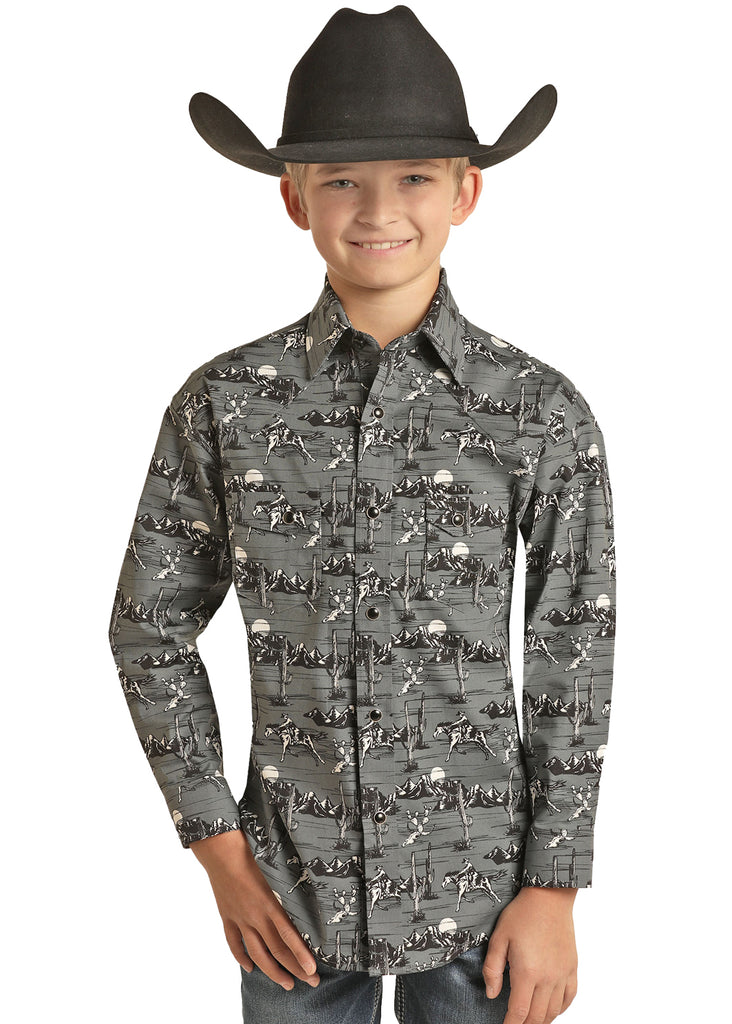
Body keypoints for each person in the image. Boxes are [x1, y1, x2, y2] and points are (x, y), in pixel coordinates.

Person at [108, 6, 616, 1023]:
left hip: (483, 896)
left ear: (465, 191)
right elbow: (149, 629)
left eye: (414, 177)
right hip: (287, 896)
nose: (379, 209)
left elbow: (574, 644)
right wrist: (221, 854)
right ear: (293, 198)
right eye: (342, 179)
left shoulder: (539, 412)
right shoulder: (225, 405)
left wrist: (555, 888)